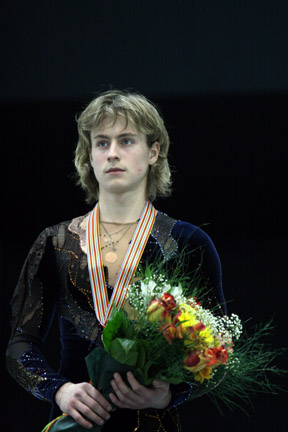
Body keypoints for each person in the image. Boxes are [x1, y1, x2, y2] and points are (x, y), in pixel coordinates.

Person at [6, 90, 226, 431]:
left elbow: (221, 356)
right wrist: (60, 390)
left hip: (152, 422)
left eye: (126, 141)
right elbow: (19, 344)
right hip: (72, 421)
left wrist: (169, 395)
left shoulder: (188, 243)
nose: (112, 154)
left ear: (153, 152)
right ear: (88, 156)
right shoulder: (54, 243)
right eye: (101, 143)